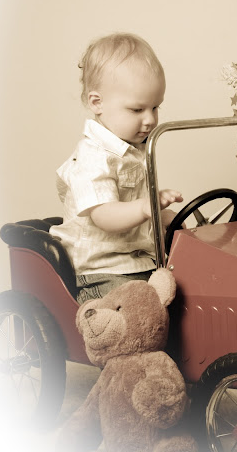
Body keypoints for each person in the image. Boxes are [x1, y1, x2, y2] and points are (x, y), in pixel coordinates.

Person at [49, 32, 183, 304]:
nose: (150, 119)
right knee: (139, 311)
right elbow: (105, 216)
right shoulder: (92, 156)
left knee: (182, 293)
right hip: (100, 271)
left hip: (138, 263)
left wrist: (161, 217)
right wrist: (145, 208)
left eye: (155, 107)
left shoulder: (136, 150)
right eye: (137, 110)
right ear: (97, 103)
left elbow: (135, 214)